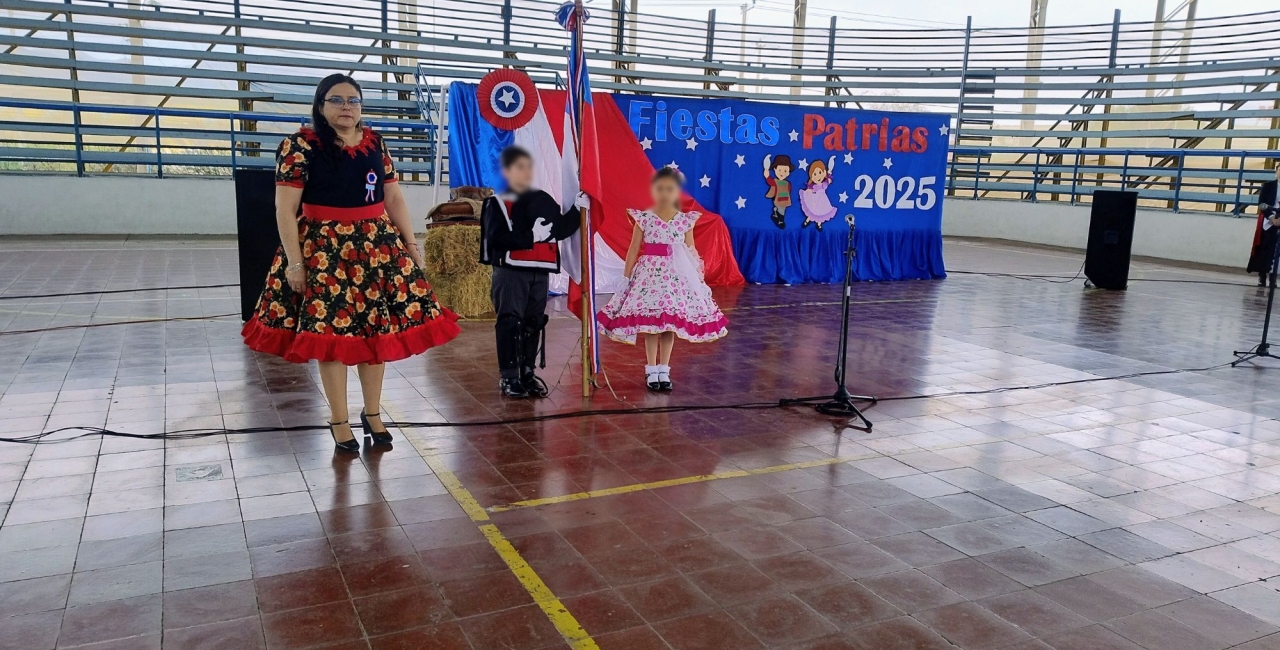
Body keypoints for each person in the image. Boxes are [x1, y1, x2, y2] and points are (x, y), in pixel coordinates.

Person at [242, 73, 460, 452]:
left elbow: (393, 198)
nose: (346, 107)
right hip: (325, 252)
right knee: (332, 339)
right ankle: (339, 419)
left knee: (377, 333)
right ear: (321, 105)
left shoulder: (375, 142)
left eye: (353, 100)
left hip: (377, 249)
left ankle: (372, 413)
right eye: (337, 100)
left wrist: (411, 243)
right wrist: (296, 262)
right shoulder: (299, 147)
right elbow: (285, 208)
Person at [596, 167, 728, 391]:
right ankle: (651, 369)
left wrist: (697, 279)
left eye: (670, 189)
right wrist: (626, 277)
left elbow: (691, 251)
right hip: (649, 277)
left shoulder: (685, 221)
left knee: (669, 325)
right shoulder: (644, 218)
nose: (665, 193)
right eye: (661, 189)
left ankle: (664, 370)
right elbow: (633, 249)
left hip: (674, 279)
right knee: (651, 324)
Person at [479, 146, 587, 398]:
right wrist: (531, 236)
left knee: (533, 322)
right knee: (510, 322)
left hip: (540, 270)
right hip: (511, 270)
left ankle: (527, 372)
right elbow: (496, 239)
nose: (525, 172)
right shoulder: (498, 204)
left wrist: (576, 211)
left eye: (528, 167)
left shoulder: (542, 199)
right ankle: (509, 376)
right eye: (518, 167)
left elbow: (559, 230)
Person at [1249, 167, 1280, 287]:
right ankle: (1262, 276)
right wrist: (1272, 218)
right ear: (1276, 172)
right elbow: (1262, 203)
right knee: (1265, 249)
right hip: (1269, 220)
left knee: (1277, 252)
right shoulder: (1268, 186)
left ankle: (1274, 277)